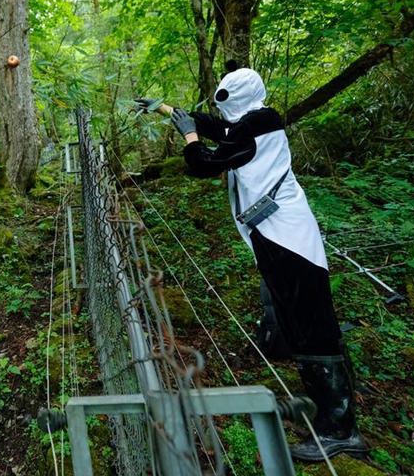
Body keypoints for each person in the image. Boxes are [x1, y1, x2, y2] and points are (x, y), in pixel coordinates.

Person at [134, 62, 368, 461]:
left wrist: (188, 134)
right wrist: (166, 109)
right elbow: (218, 125)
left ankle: (340, 429)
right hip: (278, 232)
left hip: (287, 237)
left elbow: (202, 163)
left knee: (311, 325)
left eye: (225, 98)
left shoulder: (253, 129)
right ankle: (330, 414)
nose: (220, 105)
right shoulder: (259, 120)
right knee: (301, 320)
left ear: (237, 99)